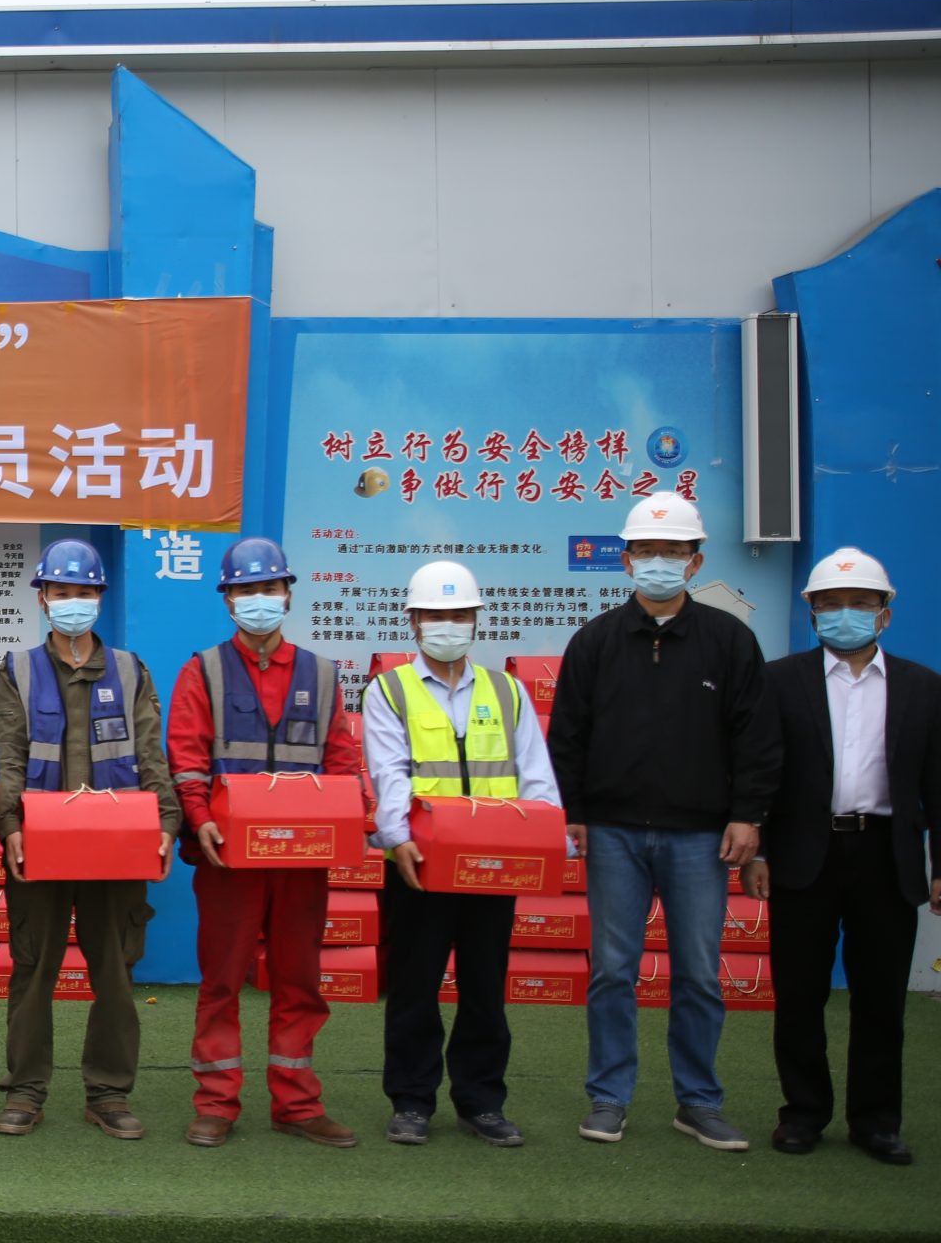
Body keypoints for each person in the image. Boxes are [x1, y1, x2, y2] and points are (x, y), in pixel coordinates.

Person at [548, 491, 779, 1152]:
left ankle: (699, 1101)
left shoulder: (729, 640)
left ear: (695, 561)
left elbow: (756, 738)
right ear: (626, 561)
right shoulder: (595, 641)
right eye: (646, 550)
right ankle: (608, 1096)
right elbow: (567, 735)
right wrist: (575, 812)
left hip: (701, 836)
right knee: (613, 971)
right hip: (612, 832)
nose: (658, 562)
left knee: (699, 973)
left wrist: (748, 816)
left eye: (672, 551)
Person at [168, 536, 364, 1149]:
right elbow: (187, 756)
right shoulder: (202, 670)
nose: (259, 599)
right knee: (221, 981)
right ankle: (216, 1103)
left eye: (269, 588)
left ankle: (297, 1103)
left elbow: (343, 760)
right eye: (246, 590)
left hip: (302, 859)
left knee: (299, 979)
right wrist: (199, 818)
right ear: (228, 600)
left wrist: (349, 818)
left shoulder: (322, 674)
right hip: (228, 855)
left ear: (288, 594)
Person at [361, 560, 562, 1148]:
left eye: (458, 614)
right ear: (414, 622)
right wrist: (397, 839)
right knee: (414, 986)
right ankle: (411, 1101)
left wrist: (542, 836)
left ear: (475, 620)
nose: (447, 624)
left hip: (494, 864)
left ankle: (482, 1101)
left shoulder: (507, 690)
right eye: (435, 614)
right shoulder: (389, 689)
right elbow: (389, 771)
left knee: (484, 988)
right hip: (419, 865)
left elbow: (536, 775)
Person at [753, 547, 935, 1166]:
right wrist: (758, 848)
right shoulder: (780, 681)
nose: (845, 614)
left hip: (887, 854)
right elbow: (762, 771)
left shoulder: (923, 687)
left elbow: (937, 783)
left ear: (885, 613)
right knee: (800, 993)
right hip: (805, 852)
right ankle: (803, 1113)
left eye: (860, 603)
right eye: (831, 604)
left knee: (880, 996)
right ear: (812, 613)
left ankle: (876, 1121)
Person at [0, 537, 178, 1139]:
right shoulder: (18, 670)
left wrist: (166, 824)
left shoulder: (129, 670)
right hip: (39, 848)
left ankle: (108, 1092)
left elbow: (151, 754)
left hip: (115, 848)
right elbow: (10, 755)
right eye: (62, 592)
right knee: (33, 970)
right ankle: (26, 1090)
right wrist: (9, 826)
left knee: (116, 973)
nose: (74, 602)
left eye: (85, 592)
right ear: (43, 599)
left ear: (99, 598)